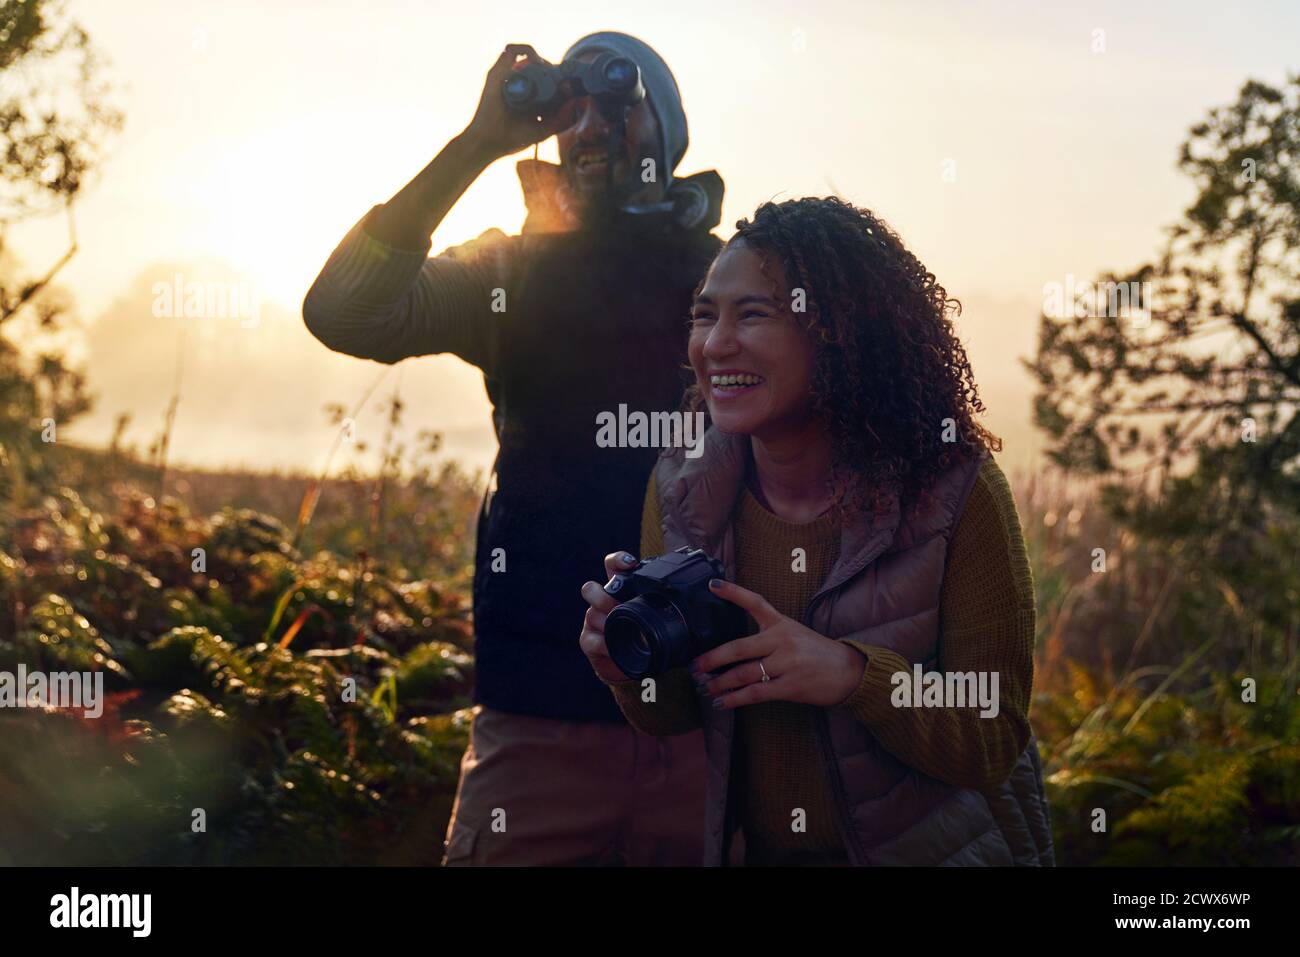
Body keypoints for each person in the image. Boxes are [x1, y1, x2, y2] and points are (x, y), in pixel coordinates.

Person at [303, 32, 724, 865]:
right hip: (539, 716)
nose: (594, 125)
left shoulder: (728, 282)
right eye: (574, 107)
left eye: (621, 98)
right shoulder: (511, 273)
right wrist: (477, 146)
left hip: (708, 713)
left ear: (670, 135)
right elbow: (344, 311)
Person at [580, 196, 1056, 866]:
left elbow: (993, 736)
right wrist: (626, 667)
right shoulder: (684, 490)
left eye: (754, 314)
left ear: (840, 333)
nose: (715, 343)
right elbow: (677, 712)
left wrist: (854, 676)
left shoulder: (953, 491)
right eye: (704, 314)